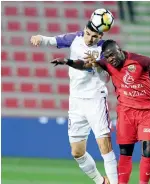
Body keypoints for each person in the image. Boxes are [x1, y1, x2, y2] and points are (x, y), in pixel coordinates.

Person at [51, 39, 150, 184]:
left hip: (147, 112)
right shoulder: (106, 64)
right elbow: (84, 65)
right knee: (125, 153)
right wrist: (67, 61)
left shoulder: (140, 60)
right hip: (126, 113)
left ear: (119, 50)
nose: (110, 59)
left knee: (147, 149)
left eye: (112, 55)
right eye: (107, 57)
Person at [30, 22, 118, 184]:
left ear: (101, 36)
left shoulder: (105, 50)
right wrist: (39, 38)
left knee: (104, 147)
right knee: (77, 152)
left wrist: (68, 61)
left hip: (95, 100)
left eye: (94, 36)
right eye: (87, 34)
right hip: (76, 102)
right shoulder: (76, 38)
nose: (89, 38)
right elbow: (54, 40)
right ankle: (101, 182)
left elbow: (86, 66)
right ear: (84, 31)